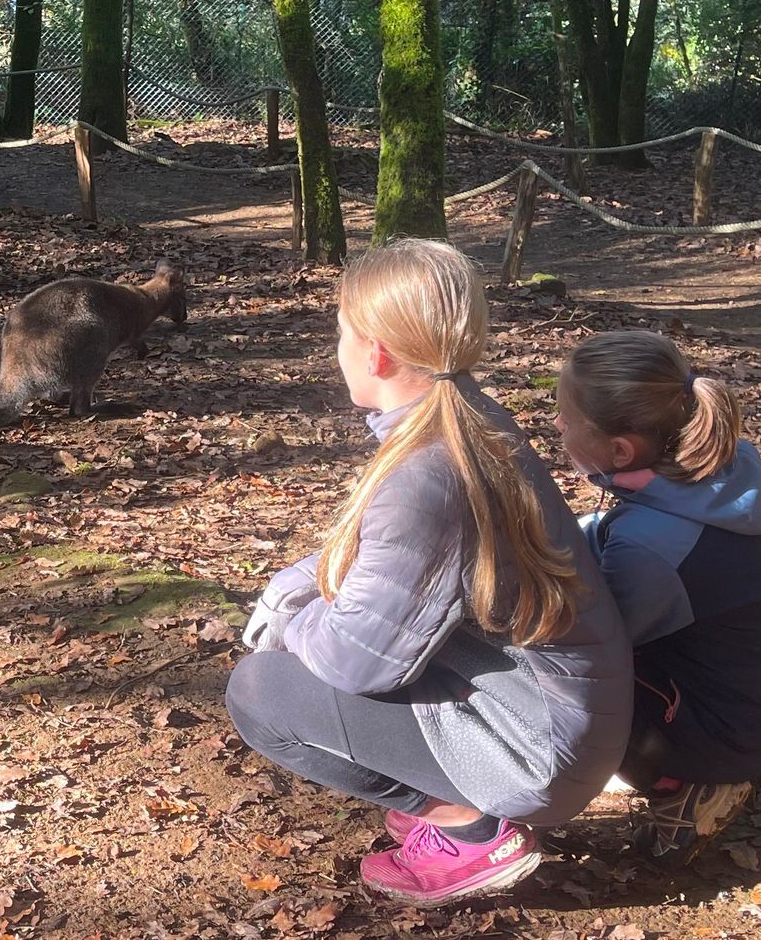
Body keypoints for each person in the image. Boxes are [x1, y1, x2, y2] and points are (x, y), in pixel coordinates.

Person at [229, 239, 633, 906]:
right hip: (563, 715)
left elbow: (355, 664)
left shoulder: (426, 475)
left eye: (340, 336)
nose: (336, 353)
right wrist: (298, 581)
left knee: (263, 693)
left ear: (378, 353)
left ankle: (467, 827)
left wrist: (291, 621)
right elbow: (390, 561)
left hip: (540, 750)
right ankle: (455, 794)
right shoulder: (466, 417)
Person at [555, 330, 761, 865]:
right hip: (759, 706)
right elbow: (607, 534)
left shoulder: (654, 546)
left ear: (619, 450)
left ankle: (692, 784)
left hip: (727, 734)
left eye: (565, 417)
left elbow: (591, 644)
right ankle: (723, 758)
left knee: (554, 677)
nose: (558, 424)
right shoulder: (714, 471)